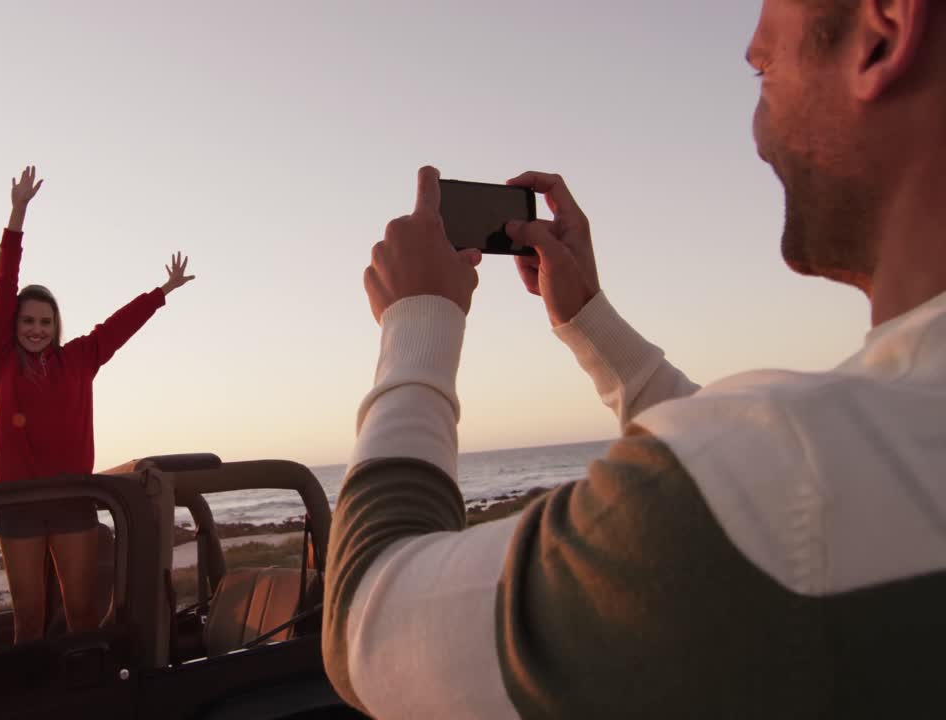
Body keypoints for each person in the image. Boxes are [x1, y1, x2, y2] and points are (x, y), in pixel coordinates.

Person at [322, 1, 946, 717]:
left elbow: (371, 624)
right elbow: (753, 481)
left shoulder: (794, 475)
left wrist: (418, 322)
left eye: (764, 71)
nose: (757, 132)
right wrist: (590, 322)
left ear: (883, 34)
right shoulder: (842, 461)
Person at [0, 165, 195, 644]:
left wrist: (161, 293)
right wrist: (17, 214)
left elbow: (116, 328)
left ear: (56, 326)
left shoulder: (78, 359)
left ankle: (83, 685)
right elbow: (4, 284)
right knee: (28, 621)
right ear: (13, 326)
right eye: (27, 321)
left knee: (81, 615)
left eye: (45, 322)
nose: (36, 329)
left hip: (73, 501)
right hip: (17, 506)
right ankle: (32, 686)